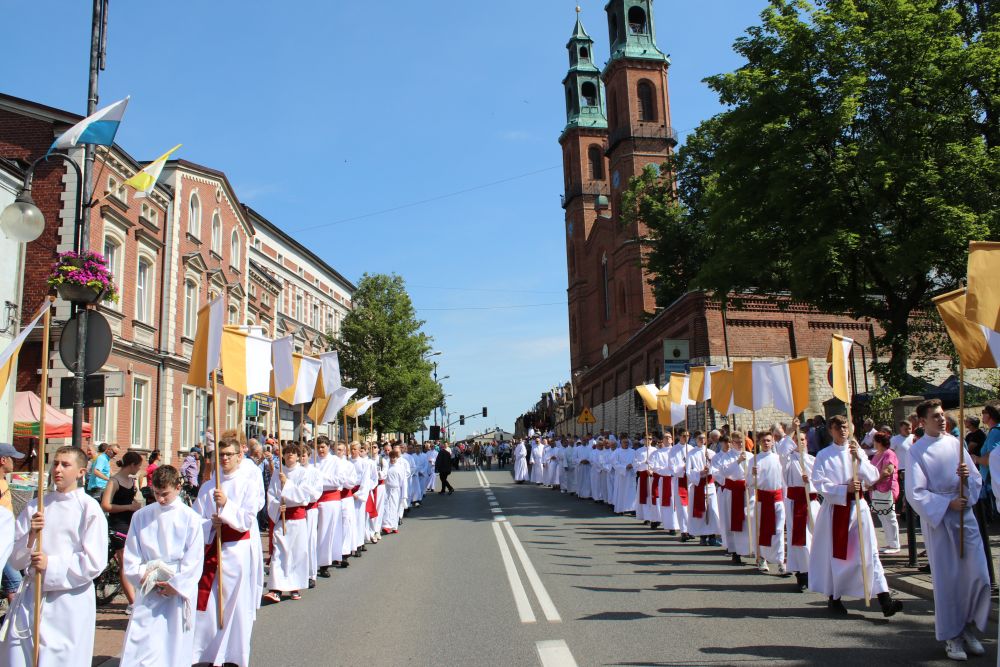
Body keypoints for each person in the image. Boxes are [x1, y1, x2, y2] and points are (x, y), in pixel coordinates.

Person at [1, 446, 108, 667]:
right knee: (19, 656)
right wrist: (31, 536)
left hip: (68, 601)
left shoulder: (89, 509)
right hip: (31, 597)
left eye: (65, 465)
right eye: (56, 463)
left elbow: (94, 561)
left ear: (81, 472)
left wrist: (52, 564)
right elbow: (16, 560)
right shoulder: (37, 506)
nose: (57, 469)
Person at [913, 399, 990, 661]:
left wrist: (967, 477)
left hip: (965, 515)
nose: (941, 419)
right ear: (922, 422)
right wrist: (946, 503)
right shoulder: (917, 451)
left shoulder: (955, 444)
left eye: (942, 414)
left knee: (978, 575)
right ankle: (952, 636)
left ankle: (969, 627)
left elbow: (976, 481)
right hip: (941, 521)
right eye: (935, 416)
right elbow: (916, 493)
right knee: (949, 581)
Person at [808, 415, 902, 617]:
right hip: (837, 509)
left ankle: (885, 599)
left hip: (859, 507)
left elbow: (873, 477)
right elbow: (819, 483)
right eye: (837, 427)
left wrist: (859, 458)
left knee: (870, 552)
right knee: (838, 554)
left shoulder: (857, 451)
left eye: (845, 426)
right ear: (831, 431)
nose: (842, 430)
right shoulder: (824, 455)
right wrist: (844, 488)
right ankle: (834, 598)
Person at [120, 465, 205, 667]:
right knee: (142, 643)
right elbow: (131, 553)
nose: (160, 499)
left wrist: (175, 584)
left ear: (178, 486)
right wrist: (142, 575)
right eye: (156, 493)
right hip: (148, 586)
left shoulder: (190, 517)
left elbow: (194, 559)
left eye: (165, 494)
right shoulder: (141, 516)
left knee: (172, 645)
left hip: (176, 589)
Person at [191, 434, 263, 667]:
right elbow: (194, 520)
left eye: (229, 455)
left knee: (235, 603)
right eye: (220, 455)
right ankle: (209, 652)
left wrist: (226, 506)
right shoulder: (208, 487)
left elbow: (247, 519)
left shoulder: (247, 484)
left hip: (237, 548)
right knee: (212, 602)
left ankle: (233, 653)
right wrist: (210, 524)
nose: (224, 459)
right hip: (214, 545)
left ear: (239, 456)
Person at [263, 444, 311, 604]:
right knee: (279, 553)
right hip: (281, 518)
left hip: (297, 520)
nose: (290, 455)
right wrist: (277, 506)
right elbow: (271, 494)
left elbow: (304, 494)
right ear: (283, 456)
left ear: (298, 456)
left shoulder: (303, 473)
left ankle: (294, 586)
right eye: (287, 453)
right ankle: (275, 589)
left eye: (293, 453)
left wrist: (288, 484)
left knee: (296, 553)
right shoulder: (278, 472)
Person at [101, 451, 145, 613]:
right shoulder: (115, 481)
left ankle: (135, 597)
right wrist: (128, 507)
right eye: (138, 466)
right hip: (118, 524)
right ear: (132, 465)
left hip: (131, 523)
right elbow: (105, 505)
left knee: (134, 560)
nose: (139, 470)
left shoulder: (130, 481)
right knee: (124, 562)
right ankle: (133, 602)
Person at [783, 429, 818, 592]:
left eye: (803, 439)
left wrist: (809, 482)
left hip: (811, 503)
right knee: (800, 540)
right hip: (795, 503)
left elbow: (822, 482)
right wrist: (790, 430)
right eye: (797, 440)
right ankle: (802, 573)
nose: (800, 442)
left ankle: (815, 571)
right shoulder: (788, 460)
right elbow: (782, 450)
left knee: (814, 538)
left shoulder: (813, 460)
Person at [749, 433, 786, 573]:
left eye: (768, 440)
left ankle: (780, 560)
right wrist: (752, 474)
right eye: (763, 440)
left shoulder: (778, 459)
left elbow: (784, 480)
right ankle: (762, 557)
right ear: (759, 442)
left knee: (778, 530)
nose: (766, 443)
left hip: (776, 499)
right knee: (762, 530)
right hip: (762, 500)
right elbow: (749, 483)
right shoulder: (754, 460)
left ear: (772, 442)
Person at [0, 443, 24, 603]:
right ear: (3, 460)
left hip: (7, 541)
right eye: (12, 458)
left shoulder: (3, 481)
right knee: (15, 585)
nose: (14, 462)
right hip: (2, 543)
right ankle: (14, 624)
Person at [870, 433, 900, 555]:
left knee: (890, 516)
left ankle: (895, 544)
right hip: (877, 489)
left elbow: (888, 471)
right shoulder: (877, 455)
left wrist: (874, 482)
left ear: (879, 442)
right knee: (883, 516)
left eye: (875, 441)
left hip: (886, 489)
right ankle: (890, 542)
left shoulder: (889, 454)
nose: (873, 443)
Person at [381, 450, 405, 534]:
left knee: (394, 508)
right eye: (391, 457)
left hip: (396, 490)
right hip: (387, 489)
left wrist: (404, 495)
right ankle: (387, 526)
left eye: (394, 457)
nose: (392, 459)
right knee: (386, 508)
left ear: (397, 458)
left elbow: (403, 482)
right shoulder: (387, 466)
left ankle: (394, 526)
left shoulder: (400, 468)